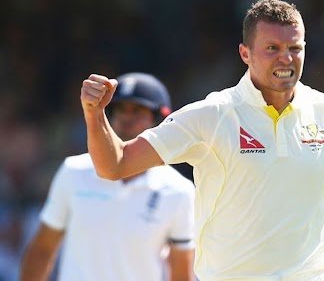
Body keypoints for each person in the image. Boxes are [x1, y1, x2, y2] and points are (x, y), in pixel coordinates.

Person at [79, 0, 324, 280]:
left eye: (295, 48)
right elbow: (115, 165)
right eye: (272, 48)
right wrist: (95, 115)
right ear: (245, 53)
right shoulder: (211, 116)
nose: (286, 59)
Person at [20, 73, 196, 281]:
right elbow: (42, 250)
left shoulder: (178, 190)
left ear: (160, 119)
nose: (126, 118)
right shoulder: (73, 171)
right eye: (120, 109)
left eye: (138, 110)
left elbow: (181, 273)